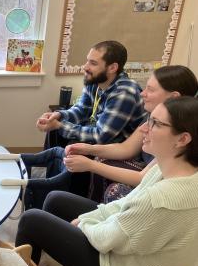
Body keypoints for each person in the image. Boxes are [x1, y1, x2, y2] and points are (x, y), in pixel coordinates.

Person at [16, 96, 198, 266]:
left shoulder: (161, 200)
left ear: (183, 139)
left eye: (155, 123)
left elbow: (107, 240)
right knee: (55, 198)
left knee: (31, 220)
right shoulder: (170, 169)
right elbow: (123, 206)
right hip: (131, 249)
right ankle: (34, 261)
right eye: (149, 119)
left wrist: (84, 224)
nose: (144, 129)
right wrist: (91, 218)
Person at [64, 65, 198, 202]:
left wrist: (90, 164)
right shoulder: (153, 116)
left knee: (112, 184)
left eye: (150, 90)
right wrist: (89, 149)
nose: (142, 93)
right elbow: (127, 148)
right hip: (145, 175)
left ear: (174, 97)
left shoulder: (176, 135)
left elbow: (143, 177)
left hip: (151, 187)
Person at [37, 41, 145, 149]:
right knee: (55, 129)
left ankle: (58, 163)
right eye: (87, 61)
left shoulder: (124, 93)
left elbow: (101, 136)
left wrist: (59, 125)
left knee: (71, 144)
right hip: (101, 134)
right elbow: (81, 110)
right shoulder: (95, 80)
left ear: (112, 68)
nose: (85, 67)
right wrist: (59, 115)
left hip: (120, 146)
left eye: (93, 63)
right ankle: (51, 162)